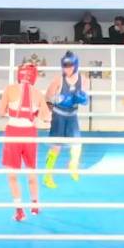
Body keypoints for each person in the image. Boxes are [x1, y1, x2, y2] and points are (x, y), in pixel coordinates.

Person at [0, 63, 51, 222]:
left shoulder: (9, 89)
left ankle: (19, 210)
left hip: (13, 132)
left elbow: (0, 113)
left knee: (12, 175)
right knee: (31, 171)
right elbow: (46, 117)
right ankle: (35, 205)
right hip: (29, 133)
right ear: (34, 76)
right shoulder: (38, 93)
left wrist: (12, 109)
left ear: (19, 74)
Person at [43, 51, 89, 189]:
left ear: (75, 66)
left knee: (77, 144)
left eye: (69, 66)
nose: (66, 69)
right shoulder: (58, 79)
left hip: (72, 115)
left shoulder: (84, 79)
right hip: (59, 116)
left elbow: (85, 100)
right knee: (56, 147)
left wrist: (82, 98)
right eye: (64, 66)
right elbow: (47, 97)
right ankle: (47, 175)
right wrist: (58, 100)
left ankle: (72, 167)